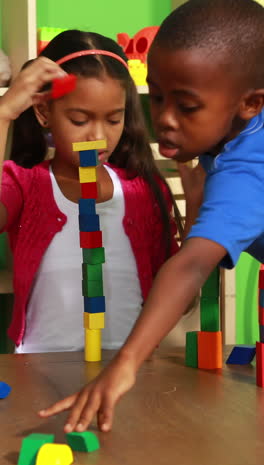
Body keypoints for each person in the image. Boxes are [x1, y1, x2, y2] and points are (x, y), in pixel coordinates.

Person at [38, 0, 264, 433]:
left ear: (250, 103)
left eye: (187, 107)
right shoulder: (231, 136)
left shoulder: (248, 172)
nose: (162, 120)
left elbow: (193, 264)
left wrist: (125, 363)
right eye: (156, 97)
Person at [0, 30, 185, 354]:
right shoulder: (26, 186)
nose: (98, 135)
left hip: (128, 374)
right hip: (40, 371)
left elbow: (180, 301)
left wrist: (196, 210)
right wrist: (4, 113)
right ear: (44, 113)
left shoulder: (145, 191)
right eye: (79, 119)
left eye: (114, 120)